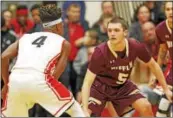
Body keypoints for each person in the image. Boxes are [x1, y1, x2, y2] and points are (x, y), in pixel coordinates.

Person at [1, 5, 85, 117]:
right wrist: (40, 92)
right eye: (62, 26)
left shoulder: (26, 37)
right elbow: (56, 75)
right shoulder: (64, 43)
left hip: (15, 82)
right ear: (58, 26)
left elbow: (3, 57)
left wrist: (6, 84)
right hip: (41, 81)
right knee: (76, 111)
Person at [81, 17, 172, 117]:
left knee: (145, 106)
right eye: (109, 30)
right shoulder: (100, 52)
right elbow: (87, 82)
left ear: (125, 32)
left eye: (116, 30)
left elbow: (153, 65)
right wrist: (85, 109)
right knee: (86, 115)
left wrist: (166, 90)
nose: (112, 33)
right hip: (100, 88)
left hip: (121, 86)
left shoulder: (135, 46)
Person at [155, 1, 173, 117]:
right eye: (168, 9)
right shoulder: (161, 29)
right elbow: (162, 51)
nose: (171, 12)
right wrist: (156, 73)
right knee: (162, 106)